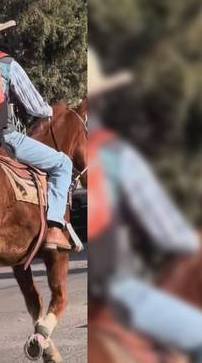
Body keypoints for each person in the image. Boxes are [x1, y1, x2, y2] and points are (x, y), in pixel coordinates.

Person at [88, 48, 202, 361]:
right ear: (101, 98)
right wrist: (194, 239)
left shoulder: (67, 150)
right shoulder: (115, 154)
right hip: (117, 293)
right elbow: (169, 233)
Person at [0, 6, 72, 250]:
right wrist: (51, 111)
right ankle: (54, 228)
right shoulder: (6, 64)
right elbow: (36, 107)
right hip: (3, 139)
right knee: (63, 164)